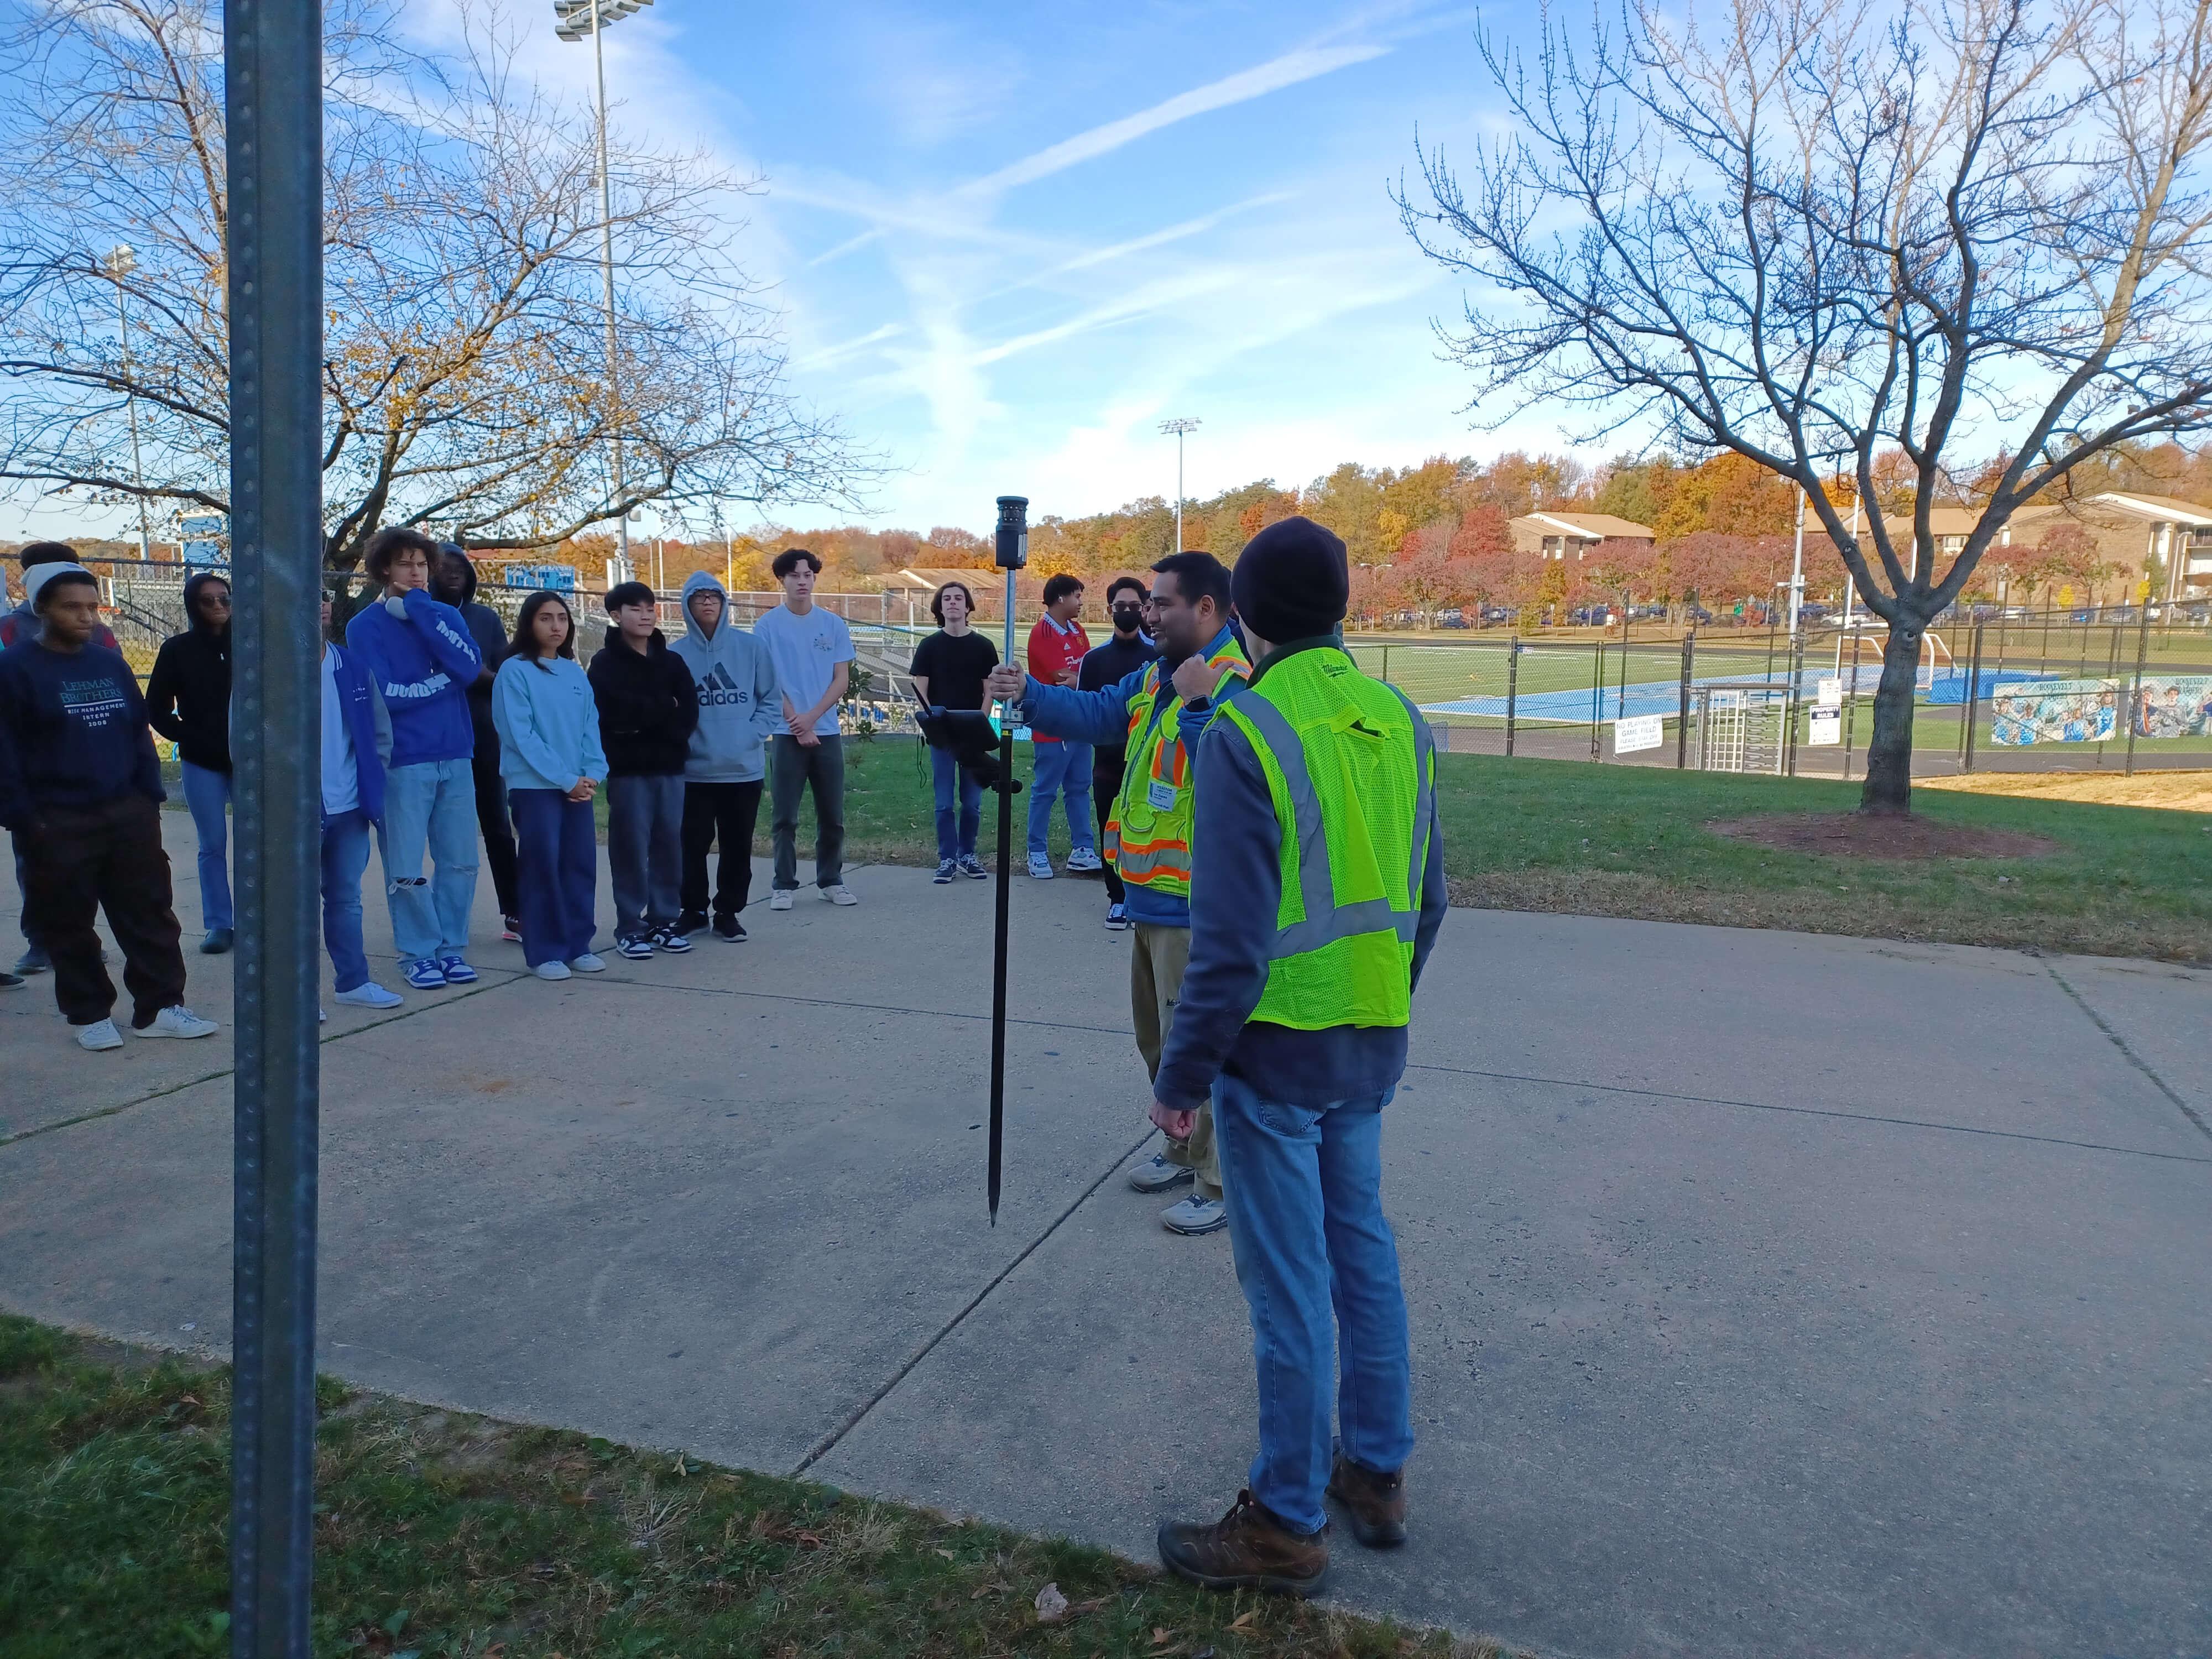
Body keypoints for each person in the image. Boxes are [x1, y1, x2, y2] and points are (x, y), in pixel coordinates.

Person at [1149, 516, 1447, 1597]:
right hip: (1367, 1042)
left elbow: (1224, 945)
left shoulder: (1247, 729)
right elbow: (1431, 899)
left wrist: (1180, 1080)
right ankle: (1373, 1470)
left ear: (1247, 618)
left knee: (1288, 1286)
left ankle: (1282, 1520)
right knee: (1360, 1256)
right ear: (1340, 609)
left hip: (1274, 1054)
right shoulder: (1397, 718)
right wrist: (1379, 1003)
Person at [986, 550, 1250, 1237]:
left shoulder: (1233, 682)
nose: (1146, 613)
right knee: (1158, 1042)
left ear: (1207, 609)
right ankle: (1181, 1148)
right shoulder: (1152, 678)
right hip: (1147, 899)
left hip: (1196, 905)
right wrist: (1028, 694)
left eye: (1162, 603)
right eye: (1148, 602)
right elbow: (1098, 711)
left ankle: (1219, 1182)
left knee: (1199, 1050)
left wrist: (1198, 703)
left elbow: (1232, 779)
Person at [0, 565, 218, 1049]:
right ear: (42, 610)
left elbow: (138, 732)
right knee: (69, 920)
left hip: (127, 812)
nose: (86, 617)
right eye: (71, 607)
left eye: (92, 607)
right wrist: (24, 818)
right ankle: (89, 1014)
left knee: (151, 913)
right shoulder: (14, 668)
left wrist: (148, 798)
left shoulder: (109, 663)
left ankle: (160, 1008)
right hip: (56, 818)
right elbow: (5, 751)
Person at [345, 526, 484, 990]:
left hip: (456, 754)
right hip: (404, 760)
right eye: (406, 564)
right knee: (406, 866)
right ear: (386, 568)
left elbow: (468, 667)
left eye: (423, 565)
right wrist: (443, 684)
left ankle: (450, 948)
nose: (416, 572)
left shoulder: (442, 614)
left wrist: (423, 609)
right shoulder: (364, 625)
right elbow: (387, 694)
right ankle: (418, 952)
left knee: (461, 861)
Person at [6, 543, 118, 978]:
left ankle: (81, 937)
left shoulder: (99, 634)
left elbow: (119, 692)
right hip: (38, 780)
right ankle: (41, 940)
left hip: (99, 772)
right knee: (35, 862)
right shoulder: (10, 632)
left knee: (101, 867)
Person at [495, 591, 609, 979]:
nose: (556, 626)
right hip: (536, 787)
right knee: (542, 866)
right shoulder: (515, 671)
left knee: (579, 865)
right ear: (529, 623)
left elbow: (590, 729)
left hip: (578, 786)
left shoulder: (576, 673)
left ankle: (578, 945)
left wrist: (592, 773)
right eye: (546, 618)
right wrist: (565, 780)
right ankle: (545, 952)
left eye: (562, 618)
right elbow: (521, 735)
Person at [588, 580, 698, 959]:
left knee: (669, 844)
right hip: (628, 771)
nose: (647, 614)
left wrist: (652, 716)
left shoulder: (672, 662)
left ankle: (664, 921)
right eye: (636, 608)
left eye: (650, 607)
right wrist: (660, 708)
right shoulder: (604, 664)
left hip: (670, 767)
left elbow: (687, 711)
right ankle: (630, 927)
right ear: (616, 616)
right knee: (631, 848)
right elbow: (613, 715)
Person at [670, 571, 780, 941]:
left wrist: (749, 735)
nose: (707, 601)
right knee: (692, 845)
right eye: (698, 596)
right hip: (694, 772)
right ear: (687, 605)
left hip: (742, 770)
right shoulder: (675, 654)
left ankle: (728, 912)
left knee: (737, 847)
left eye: (714, 595)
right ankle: (694, 910)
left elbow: (771, 699)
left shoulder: (751, 649)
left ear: (724, 603)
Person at [754, 548, 858, 909]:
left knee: (832, 815)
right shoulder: (767, 626)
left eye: (808, 575)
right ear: (782, 580)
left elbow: (841, 679)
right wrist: (796, 724)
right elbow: (767, 680)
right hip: (786, 735)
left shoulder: (833, 625)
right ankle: (784, 884)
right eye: (795, 575)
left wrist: (812, 718)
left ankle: (831, 880)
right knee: (785, 816)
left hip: (826, 732)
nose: (803, 581)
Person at [317, 591, 404, 1011]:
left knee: (346, 900)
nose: (319, 604)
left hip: (348, 809)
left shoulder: (350, 666)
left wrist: (371, 780)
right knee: (291, 905)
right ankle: (294, 997)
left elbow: (379, 734)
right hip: (294, 812)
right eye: (308, 595)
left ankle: (352, 983)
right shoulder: (269, 667)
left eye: (324, 596)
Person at [431, 546, 523, 942]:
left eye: (461, 568)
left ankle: (516, 910)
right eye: (444, 568)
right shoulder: (419, 617)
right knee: (442, 832)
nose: (454, 573)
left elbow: (500, 674)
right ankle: (440, 919)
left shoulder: (484, 618)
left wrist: (478, 676)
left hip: (483, 734)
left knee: (498, 826)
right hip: (436, 736)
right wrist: (475, 673)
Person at [145, 571, 235, 954]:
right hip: (203, 762)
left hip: (252, 760)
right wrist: (190, 737)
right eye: (207, 600)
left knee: (259, 842)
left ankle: (260, 919)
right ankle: (219, 923)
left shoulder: (253, 644)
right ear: (192, 606)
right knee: (212, 843)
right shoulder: (177, 649)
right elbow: (157, 709)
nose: (218, 606)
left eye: (224, 599)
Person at [1078, 577, 1160, 927]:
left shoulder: (1157, 657)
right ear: (1110, 610)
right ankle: (1117, 898)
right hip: (1107, 764)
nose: (1126, 612)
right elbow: (1085, 711)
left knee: (1148, 829)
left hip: (1148, 763)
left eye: (1134, 606)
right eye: (1119, 606)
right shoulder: (1094, 660)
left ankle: (1146, 895)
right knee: (1108, 827)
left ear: (1144, 609)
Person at [908, 580, 999, 883]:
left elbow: (989, 690)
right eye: (947, 599)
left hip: (972, 735)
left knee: (972, 803)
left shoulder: (984, 646)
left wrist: (980, 721)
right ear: (940, 607)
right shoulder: (929, 646)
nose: (953, 603)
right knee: (944, 803)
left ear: (968, 605)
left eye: (959, 598)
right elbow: (921, 690)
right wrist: (934, 722)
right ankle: (947, 858)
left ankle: (967, 856)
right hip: (942, 736)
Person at [1022, 573, 1100, 879]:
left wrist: (1079, 680)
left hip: (1079, 720)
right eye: (1077, 597)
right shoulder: (1041, 633)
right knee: (1045, 789)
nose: (1081, 603)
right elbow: (1061, 677)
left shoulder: (1079, 630)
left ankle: (1082, 849)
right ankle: (1036, 850)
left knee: (1080, 788)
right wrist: (1079, 679)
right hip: (1052, 722)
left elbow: (1084, 672)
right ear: (1060, 598)